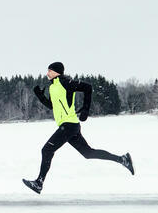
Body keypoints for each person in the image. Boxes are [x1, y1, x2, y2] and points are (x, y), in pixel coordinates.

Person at [23, 61, 134, 194]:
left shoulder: (67, 83)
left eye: (50, 71)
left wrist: (85, 110)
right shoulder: (53, 87)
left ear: (57, 72)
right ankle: (123, 159)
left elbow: (88, 87)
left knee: (47, 150)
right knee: (88, 153)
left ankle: (39, 183)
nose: (47, 73)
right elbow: (52, 106)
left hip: (69, 125)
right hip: (69, 126)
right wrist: (40, 96)